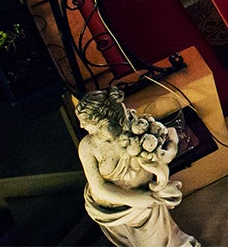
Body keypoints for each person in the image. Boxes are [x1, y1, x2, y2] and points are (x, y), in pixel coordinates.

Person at [76, 87, 199, 247]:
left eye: (94, 127)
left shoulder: (138, 131)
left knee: (156, 241)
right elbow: (99, 186)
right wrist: (136, 199)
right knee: (132, 242)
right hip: (110, 210)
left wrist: (167, 154)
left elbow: (171, 134)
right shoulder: (89, 146)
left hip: (143, 205)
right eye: (88, 129)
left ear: (113, 121)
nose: (90, 131)